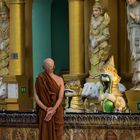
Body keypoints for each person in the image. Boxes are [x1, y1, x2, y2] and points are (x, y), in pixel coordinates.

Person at [34, 58, 64, 140]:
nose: (52, 67)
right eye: (50, 66)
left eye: (51, 66)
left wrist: (50, 110)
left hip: (51, 112)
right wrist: (49, 109)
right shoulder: (40, 79)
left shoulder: (59, 79)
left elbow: (60, 98)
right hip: (48, 112)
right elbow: (36, 97)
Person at [89, 0, 110, 78]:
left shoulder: (103, 21)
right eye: (93, 10)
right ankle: (94, 75)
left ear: (100, 11)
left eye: (96, 10)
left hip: (101, 45)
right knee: (93, 63)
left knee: (101, 63)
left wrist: (97, 40)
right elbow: (90, 33)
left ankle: (100, 75)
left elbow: (106, 35)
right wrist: (92, 40)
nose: (94, 12)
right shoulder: (92, 21)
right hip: (93, 46)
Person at [126, 0, 140, 90]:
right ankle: (136, 82)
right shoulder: (128, 7)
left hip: (139, 32)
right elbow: (128, 23)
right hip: (132, 33)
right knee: (134, 57)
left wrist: (136, 18)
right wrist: (129, 34)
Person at [0, 1, 9, 76]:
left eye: (4, 14)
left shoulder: (11, 24)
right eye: (1, 14)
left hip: (8, 46)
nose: (3, 16)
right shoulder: (0, 24)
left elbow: (12, 37)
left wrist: (4, 43)